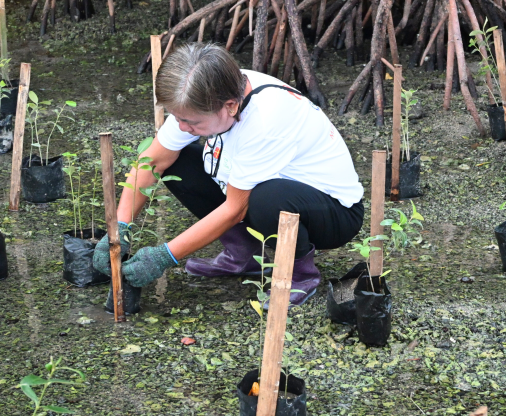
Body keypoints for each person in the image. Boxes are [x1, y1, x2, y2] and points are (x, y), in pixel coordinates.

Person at [92, 42, 364, 305]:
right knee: (178, 162)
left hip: (332, 213)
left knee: (266, 197)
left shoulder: (267, 118)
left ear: (231, 106)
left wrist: (165, 256)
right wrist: (120, 227)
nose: (182, 127)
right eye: (177, 117)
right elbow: (151, 162)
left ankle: (300, 274)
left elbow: (236, 208)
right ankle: (242, 254)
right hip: (264, 192)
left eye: (191, 121)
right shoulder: (206, 93)